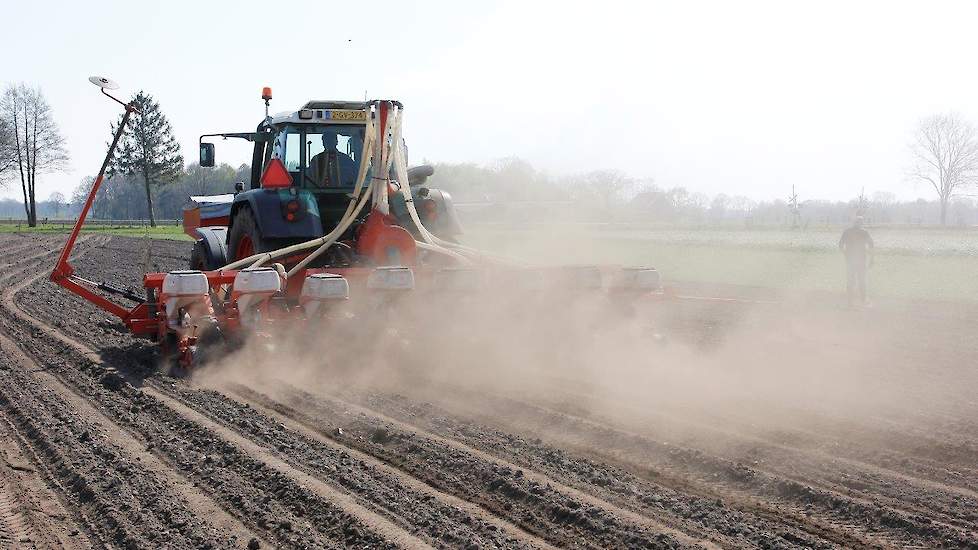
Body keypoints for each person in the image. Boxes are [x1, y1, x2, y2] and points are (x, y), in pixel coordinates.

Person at [839, 216, 874, 306]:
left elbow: (840, 245)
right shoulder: (864, 232)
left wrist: (846, 254)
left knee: (851, 280)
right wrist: (872, 259)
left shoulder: (847, 232)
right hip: (861, 260)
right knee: (861, 280)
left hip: (850, 260)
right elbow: (871, 245)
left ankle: (850, 300)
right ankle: (863, 299)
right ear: (860, 223)